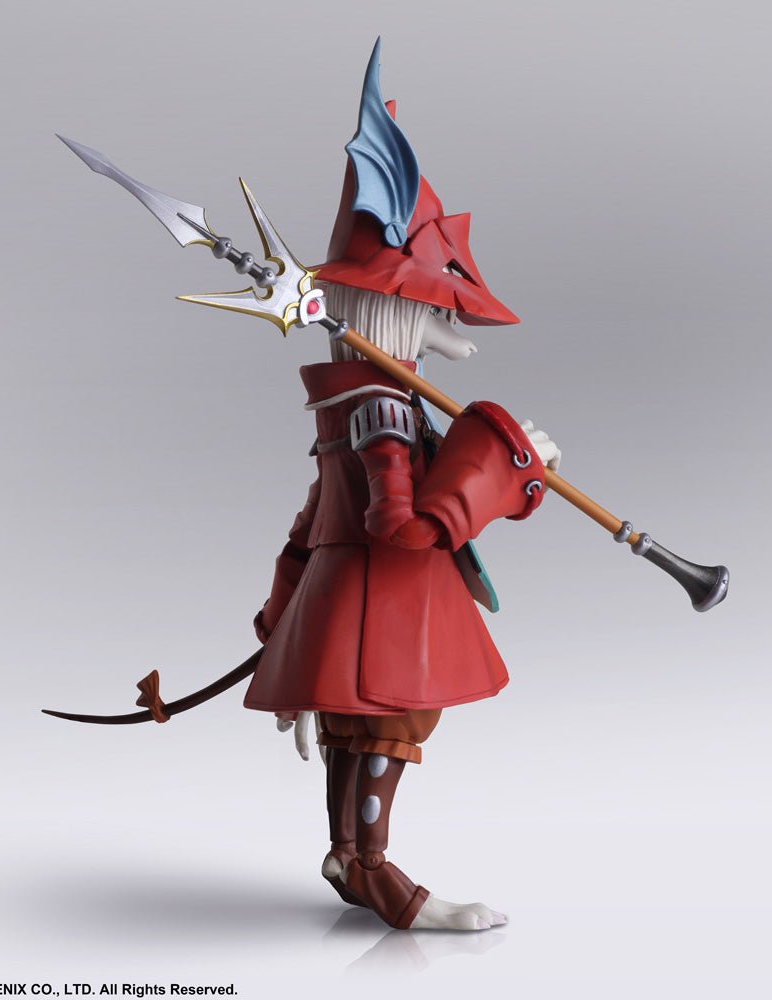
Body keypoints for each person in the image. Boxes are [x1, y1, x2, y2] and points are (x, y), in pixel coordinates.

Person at [242, 42, 560, 931]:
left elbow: (310, 526)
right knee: (389, 719)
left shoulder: (356, 404)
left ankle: (347, 857)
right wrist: (500, 469)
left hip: (347, 597)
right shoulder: (382, 410)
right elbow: (402, 530)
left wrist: (281, 632)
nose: (451, 327)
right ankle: (379, 875)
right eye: (432, 307)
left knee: (358, 722)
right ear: (393, 308)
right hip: (384, 598)